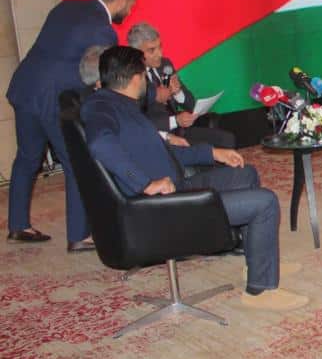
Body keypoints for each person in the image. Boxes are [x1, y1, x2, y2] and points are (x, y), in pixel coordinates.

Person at [80, 46, 308, 311]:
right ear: (135, 78)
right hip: (160, 208)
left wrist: (213, 153)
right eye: (144, 75)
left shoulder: (121, 105)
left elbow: (164, 153)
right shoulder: (101, 107)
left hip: (177, 187)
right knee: (265, 202)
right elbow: (100, 144)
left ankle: (257, 261)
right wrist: (144, 184)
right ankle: (260, 291)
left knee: (245, 174)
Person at [6, 0, 140, 251]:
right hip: (52, 100)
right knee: (75, 162)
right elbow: (97, 77)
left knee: (27, 157)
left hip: (25, 88)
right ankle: (79, 235)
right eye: (131, 5)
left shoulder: (64, 7)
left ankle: (18, 226)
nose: (129, 12)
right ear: (121, 1)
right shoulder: (103, 31)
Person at [127, 22, 235, 148]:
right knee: (203, 149)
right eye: (151, 50)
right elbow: (137, 121)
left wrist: (178, 93)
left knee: (227, 139)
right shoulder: (130, 77)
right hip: (157, 137)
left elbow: (191, 104)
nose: (159, 54)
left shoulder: (165, 65)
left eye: (160, 47)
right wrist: (175, 121)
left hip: (180, 129)